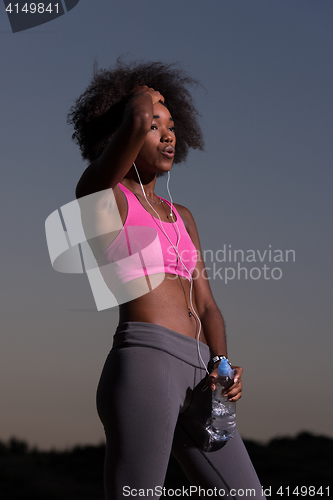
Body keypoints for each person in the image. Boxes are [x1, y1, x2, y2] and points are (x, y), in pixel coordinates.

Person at [68, 60, 265, 500]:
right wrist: (141, 99)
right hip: (145, 365)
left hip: (202, 378)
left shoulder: (183, 216)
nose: (168, 134)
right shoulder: (103, 201)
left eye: (172, 125)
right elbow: (135, 119)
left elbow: (208, 306)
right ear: (122, 133)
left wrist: (223, 365)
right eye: (154, 125)